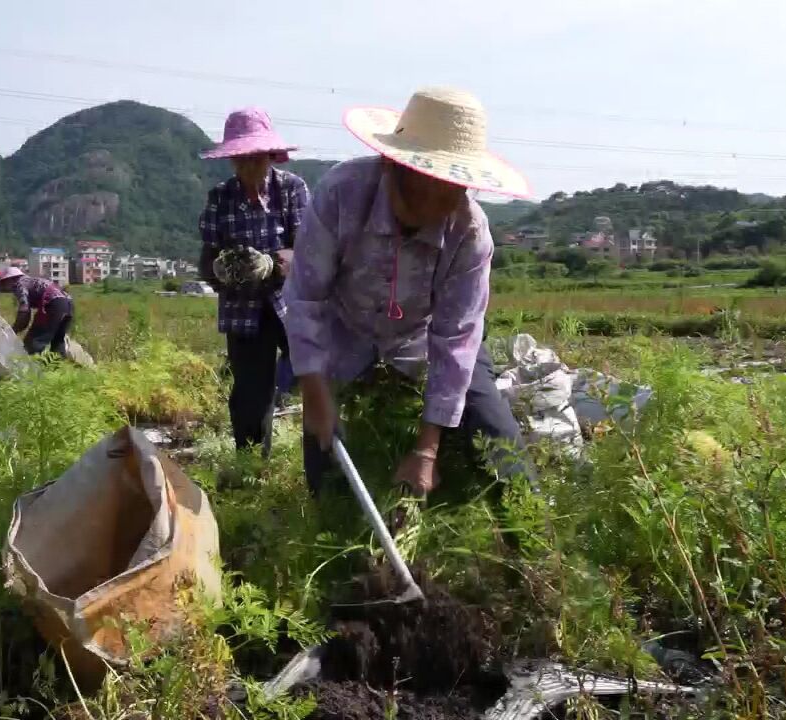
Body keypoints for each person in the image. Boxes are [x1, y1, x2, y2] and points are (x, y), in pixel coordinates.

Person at [283, 87, 534, 498]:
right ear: (390, 166)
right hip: (344, 332)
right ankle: (333, 523)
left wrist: (427, 449)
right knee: (325, 451)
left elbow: (456, 338)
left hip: (423, 336)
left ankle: (532, 546)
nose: (430, 211)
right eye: (419, 193)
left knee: (494, 434)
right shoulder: (341, 195)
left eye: (447, 196)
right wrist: (314, 390)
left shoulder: (470, 233)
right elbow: (306, 298)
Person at [198, 107, 309, 451]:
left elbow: (309, 250)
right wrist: (220, 269)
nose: (248, 166)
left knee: (316, 375)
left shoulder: (291, 190)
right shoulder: (220, 197)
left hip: (290, 303)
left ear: (269, 155)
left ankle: (323, 453)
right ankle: (250, 463)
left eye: (255, 157)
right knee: (249, 391)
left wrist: (273, 264)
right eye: (240, 159)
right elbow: (207, 257)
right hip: (242, 310)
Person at [0, 266, 74, 355]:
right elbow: (26, 315)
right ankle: (58, 366)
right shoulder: (32, 281)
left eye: (4, 283)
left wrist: (13, 330)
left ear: (10, 279)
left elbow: (24, 311)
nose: (5, 287)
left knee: (33, 342)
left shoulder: (19, 285)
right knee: (57, 340)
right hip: (68, 304)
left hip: (53, 304)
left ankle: (31, 367)